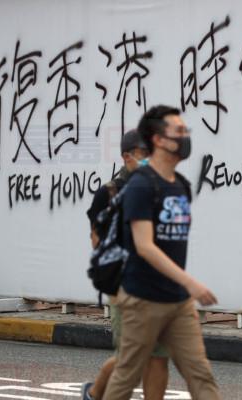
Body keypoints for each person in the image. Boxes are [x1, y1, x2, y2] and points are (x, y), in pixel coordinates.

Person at [102, 105, 221, 400]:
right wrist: (190, 282)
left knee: (201, 374)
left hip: (178, 303)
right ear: (157, 139)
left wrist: (182, 287)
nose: (185, 137)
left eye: (185, 131)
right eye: (178, 132)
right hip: (142, 300)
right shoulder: (141, 185)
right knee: (126, 377)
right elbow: (144, 246)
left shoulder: (181, 185)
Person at [82, 130, 170, 400]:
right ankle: (96, 393)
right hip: (125, 286)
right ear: (127, 157)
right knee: (129, 360)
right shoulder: (109, 193)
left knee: (158, 357)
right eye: (145, 155)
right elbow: (97, 242)